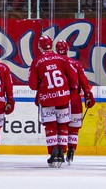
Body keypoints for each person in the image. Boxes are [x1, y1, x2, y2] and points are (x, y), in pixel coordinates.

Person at [28, 35, 77, 167]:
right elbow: (73, 79)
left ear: (40, 46)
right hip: (63, 96)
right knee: (63, 125)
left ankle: (53, 152)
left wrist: (40, 85)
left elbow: (32, 84)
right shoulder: (62, 59)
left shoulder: (37, 61)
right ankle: (61, 152)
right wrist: (69, 92)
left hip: (46, 98)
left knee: (50, 126)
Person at [55, 40, 95, 164]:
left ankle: (61, 150)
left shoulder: (53, 63)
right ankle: (71, 150)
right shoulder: (75, 64)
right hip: (75, 98)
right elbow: (83, 81)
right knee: (74, 127)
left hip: (60, 97)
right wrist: (88, 95)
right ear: (67, 49)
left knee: (60, 125)